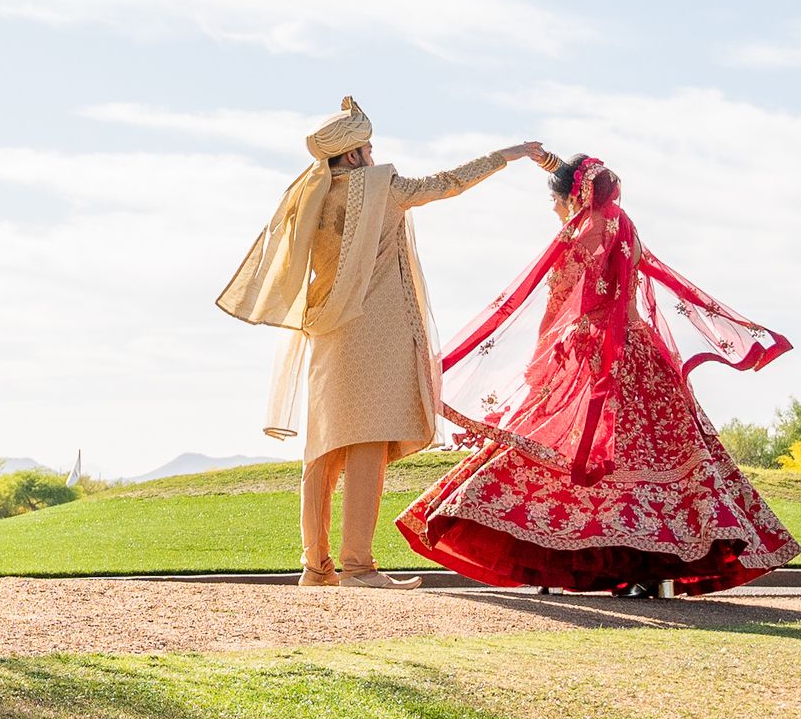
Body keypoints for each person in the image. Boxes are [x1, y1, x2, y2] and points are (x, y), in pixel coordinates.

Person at [398, 154, 799, 598]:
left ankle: (554, 562)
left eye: (555, 202)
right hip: (640, 353)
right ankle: (649, 571)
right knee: (652, 457)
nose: (554, 211)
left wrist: (540, 362)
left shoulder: (578, 233)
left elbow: (558, 301)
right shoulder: (626, 227)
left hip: (590, 355)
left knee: (562, 448)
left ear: (572, 195)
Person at [218, 98, 553, 586]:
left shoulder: (311, 194)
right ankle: (358, 566)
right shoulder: (382, 188)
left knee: (324, 448)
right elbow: (447, 183)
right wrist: (510, 153)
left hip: (327, 328)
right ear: (352, 155)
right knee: (367, 444)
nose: (374, 155)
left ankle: (316, 567)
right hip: (376, 328)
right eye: (368, 148)